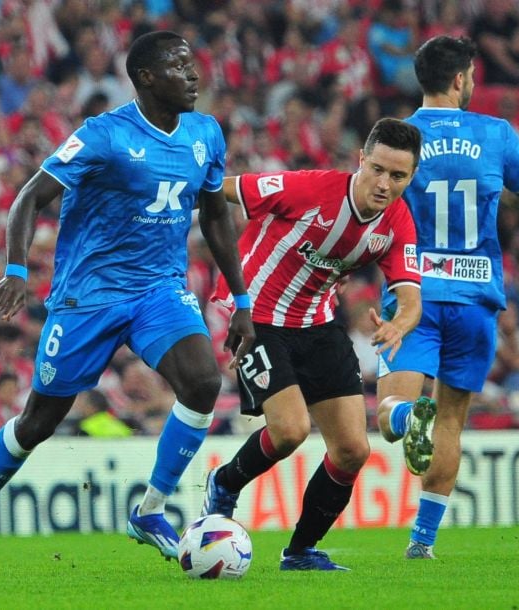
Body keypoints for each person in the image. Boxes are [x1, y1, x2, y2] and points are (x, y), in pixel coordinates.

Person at [0, 30, 255, 578]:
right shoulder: (105, 135)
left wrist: (243, 296)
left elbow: (214, 216)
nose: (193, 74)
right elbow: (29, 196)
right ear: (145, 78)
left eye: (193, 63)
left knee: (204, 383)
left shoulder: (205, 133)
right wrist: (16, 270)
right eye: (178, 66)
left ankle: (151, 510)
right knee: (39, 421)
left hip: (158, 287)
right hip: (88, 296)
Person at [203, 118, 424, 571]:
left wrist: (399, 325)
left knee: (353, 450)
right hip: (256, 318)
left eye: (398, 176)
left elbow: (410, 296)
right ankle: (224, 484)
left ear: (411, 176)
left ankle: (300, 551)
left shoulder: (398, 221)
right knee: (290, 430)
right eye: (378, 169)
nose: (384, 184)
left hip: (317, 323)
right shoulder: (308, 189)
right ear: (361, 160)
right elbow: (221, 189)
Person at [374, 36, 519, 559]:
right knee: (450, 420)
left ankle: (408, 420)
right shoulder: (495, 133)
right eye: (471, 75)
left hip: (414, 294)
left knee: (390, 411)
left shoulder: (401, 138)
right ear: (459, 79)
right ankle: (422, 544)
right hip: (474, 300)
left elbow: (373, 199)